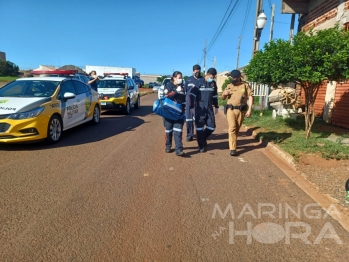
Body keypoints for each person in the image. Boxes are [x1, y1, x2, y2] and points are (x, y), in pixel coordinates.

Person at [221, 69, 253, 156]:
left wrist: (250, 109)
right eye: (232, 77)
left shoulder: (245, 85)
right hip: (230, 110)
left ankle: (233, 143)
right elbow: (223, 98)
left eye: (235, 77)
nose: (233, 79)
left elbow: (250, 97)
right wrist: (224, 93)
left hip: (241, 110)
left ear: (239, 77)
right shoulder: (229, 86)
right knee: (232, 128)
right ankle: (233, 149)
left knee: (237, 129)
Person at [189, 68, 219, 153]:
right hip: (200, 108)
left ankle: (202, 138)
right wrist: (191, 107)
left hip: (209, 108)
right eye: (210, 76)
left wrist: (216, 106)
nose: (211, 78)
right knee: (199, 128)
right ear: (206, 74)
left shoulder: (213, 83)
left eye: (213, 77)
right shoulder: (199, 82)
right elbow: (191, 95)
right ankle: (201, 145)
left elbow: (215, 96)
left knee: (211, 126)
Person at [163, 71, 186, 156]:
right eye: (179, 78)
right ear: (174, 78)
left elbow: (184, 99)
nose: (181, 79)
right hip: (169, 113)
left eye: (181, 78)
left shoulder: (183, 87)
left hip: (179, 113)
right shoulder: (168, 85)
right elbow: (166, 96)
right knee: (168, 131)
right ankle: (168, 146)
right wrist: (176, 91)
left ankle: (179, 149)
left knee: (178, 131)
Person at [184, 64, 204, 142]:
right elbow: (185, 91)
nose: (197, 72)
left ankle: (199, 135)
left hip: (199, 102)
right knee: (189, 119)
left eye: (198, 70)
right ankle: (190, 135)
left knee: (198, 119)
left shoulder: (202, 79)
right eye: (196, 71)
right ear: (193, 71)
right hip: (189, 102)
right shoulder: (188, 80)